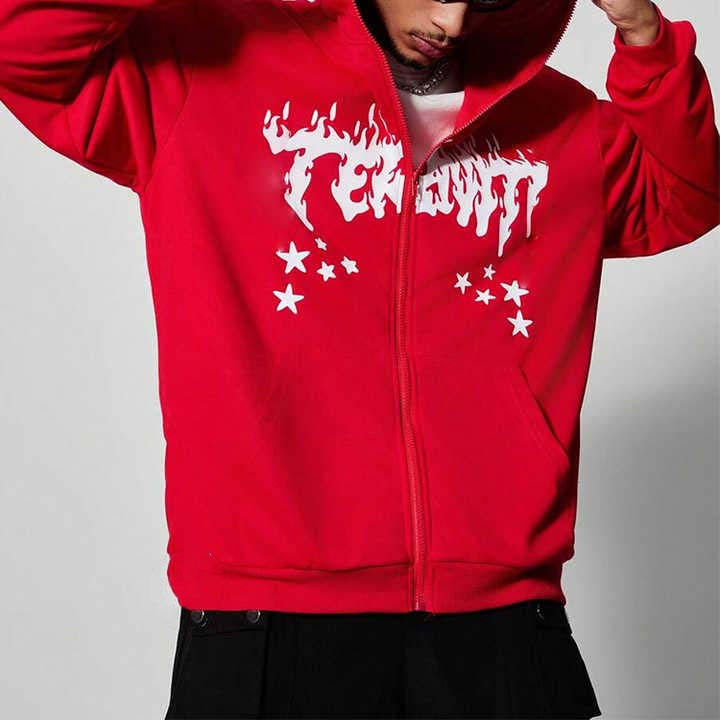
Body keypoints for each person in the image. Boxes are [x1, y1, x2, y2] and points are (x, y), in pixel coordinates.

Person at [0, 0, 717, 717]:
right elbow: (24, 47)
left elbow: (686, 194)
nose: (452, 21)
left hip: (501, 619)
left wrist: (645, 38)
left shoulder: (560, 120)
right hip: (268, 617)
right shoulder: (205, 68)